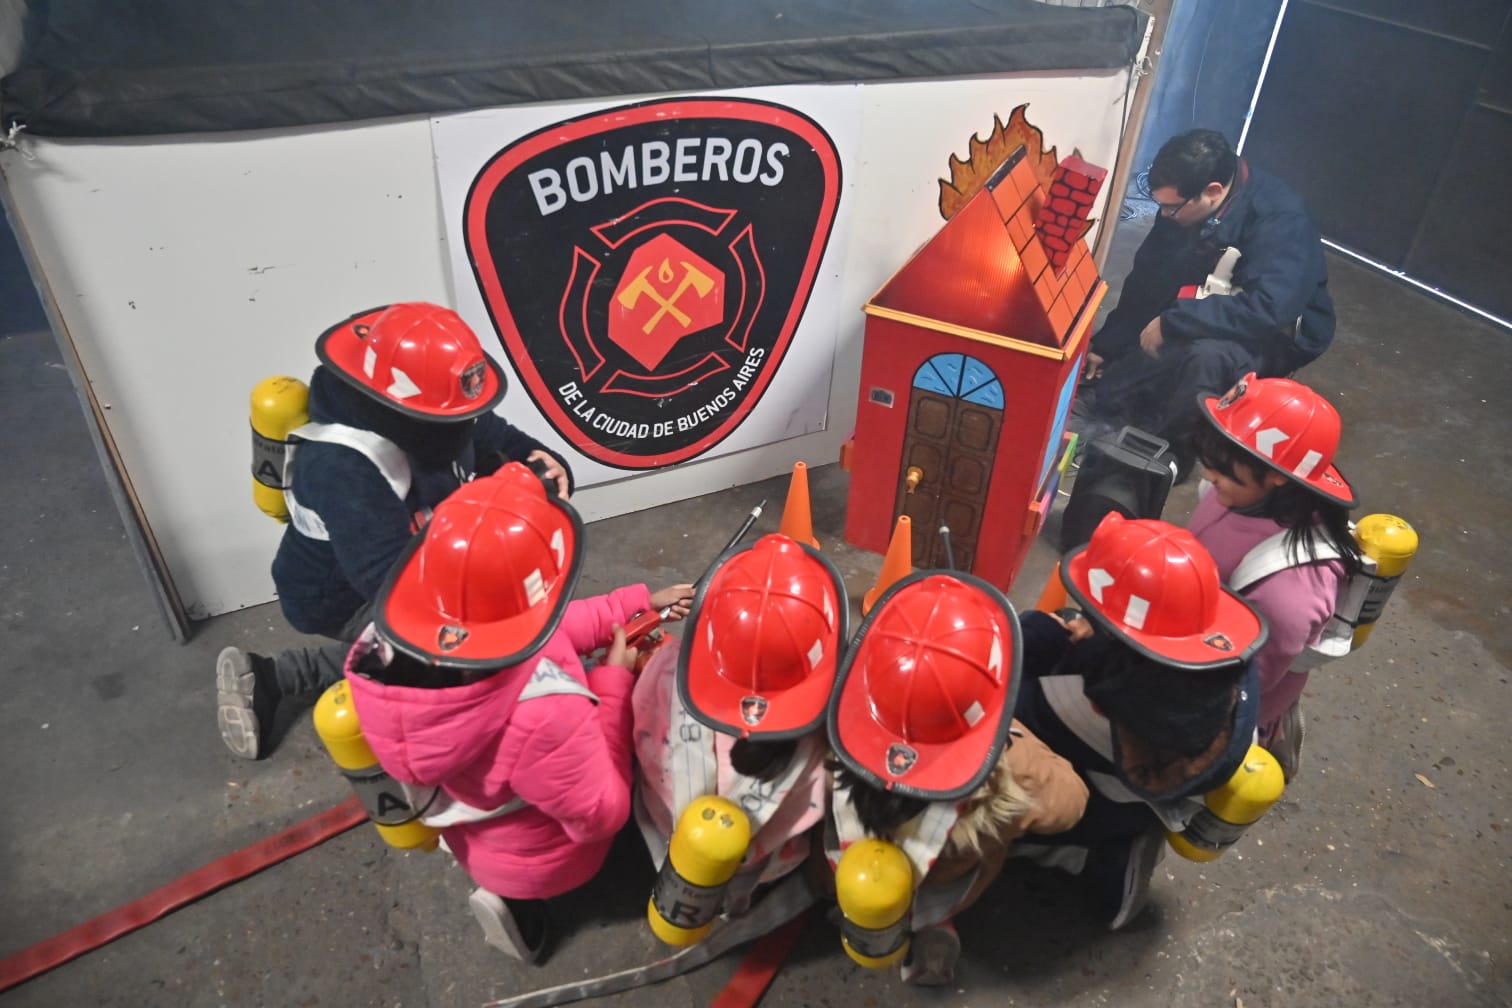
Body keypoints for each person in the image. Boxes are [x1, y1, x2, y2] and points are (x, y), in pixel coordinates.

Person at [341, 463, 693, 962]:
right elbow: (601, 813)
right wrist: (613, 683)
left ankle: (505, 889)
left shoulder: (392, 644)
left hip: (470, 825)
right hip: (546, 857)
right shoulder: (546, 712)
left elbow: (546, 627)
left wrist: (633, 604)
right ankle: (522, 906)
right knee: (640, 763)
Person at [217, 301, 573, 760]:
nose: (467, 424)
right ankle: (280, 678)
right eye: (454, 418)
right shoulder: (341, 467)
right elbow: (390, 583)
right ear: (401, 404)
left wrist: (537, 462)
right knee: (452, 659)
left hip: (417, 546)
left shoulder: (437, 406)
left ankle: (292, 674)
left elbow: (490, 435)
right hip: (342, 593)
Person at [823, 571, 1088, 986]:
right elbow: (1072, 801)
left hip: (844, 871)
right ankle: (936, 924)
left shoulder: (837, 731)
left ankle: (860, 916)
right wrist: (1009, 736)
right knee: (987, 857)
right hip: (945, 883)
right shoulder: (1016, 770)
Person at [1011, 512, 1267, 930]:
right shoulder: (1234, 668)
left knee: (1013, 777)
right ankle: (1128, 830)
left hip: (1113, 800)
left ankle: (1097, 854)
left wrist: (1042, 630)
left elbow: (1014, 704)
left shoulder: (1082, 704)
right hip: (1181, 786)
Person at [1079, 129, 1334, 473]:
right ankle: (1117, 402)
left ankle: (1161, 457)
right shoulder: (1182, 208)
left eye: (1171, 207)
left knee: (1203, 358)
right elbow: (1146, 283)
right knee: (1125, 372)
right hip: (1207, 301)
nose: (1164, 215)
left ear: (1213, 191)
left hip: (1275, 332)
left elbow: (1271, 307)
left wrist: (1175, 321)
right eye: (1160, 205)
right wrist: (1107, 345)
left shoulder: (1279, 218)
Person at [632, 532, 848, 927]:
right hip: (766, 859)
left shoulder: (668, 671)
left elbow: (636, 717)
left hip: (668, 838)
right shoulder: (820, 731)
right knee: (749, 865)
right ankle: (736, 901)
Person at [1187, 373, 1362, 779]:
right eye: (1208, 463)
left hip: (1221, 697)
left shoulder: (1288, 589)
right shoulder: (1241, 495)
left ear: (1278, 475)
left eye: (1225, 472)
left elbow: (1244, 684)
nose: (1209, 478)